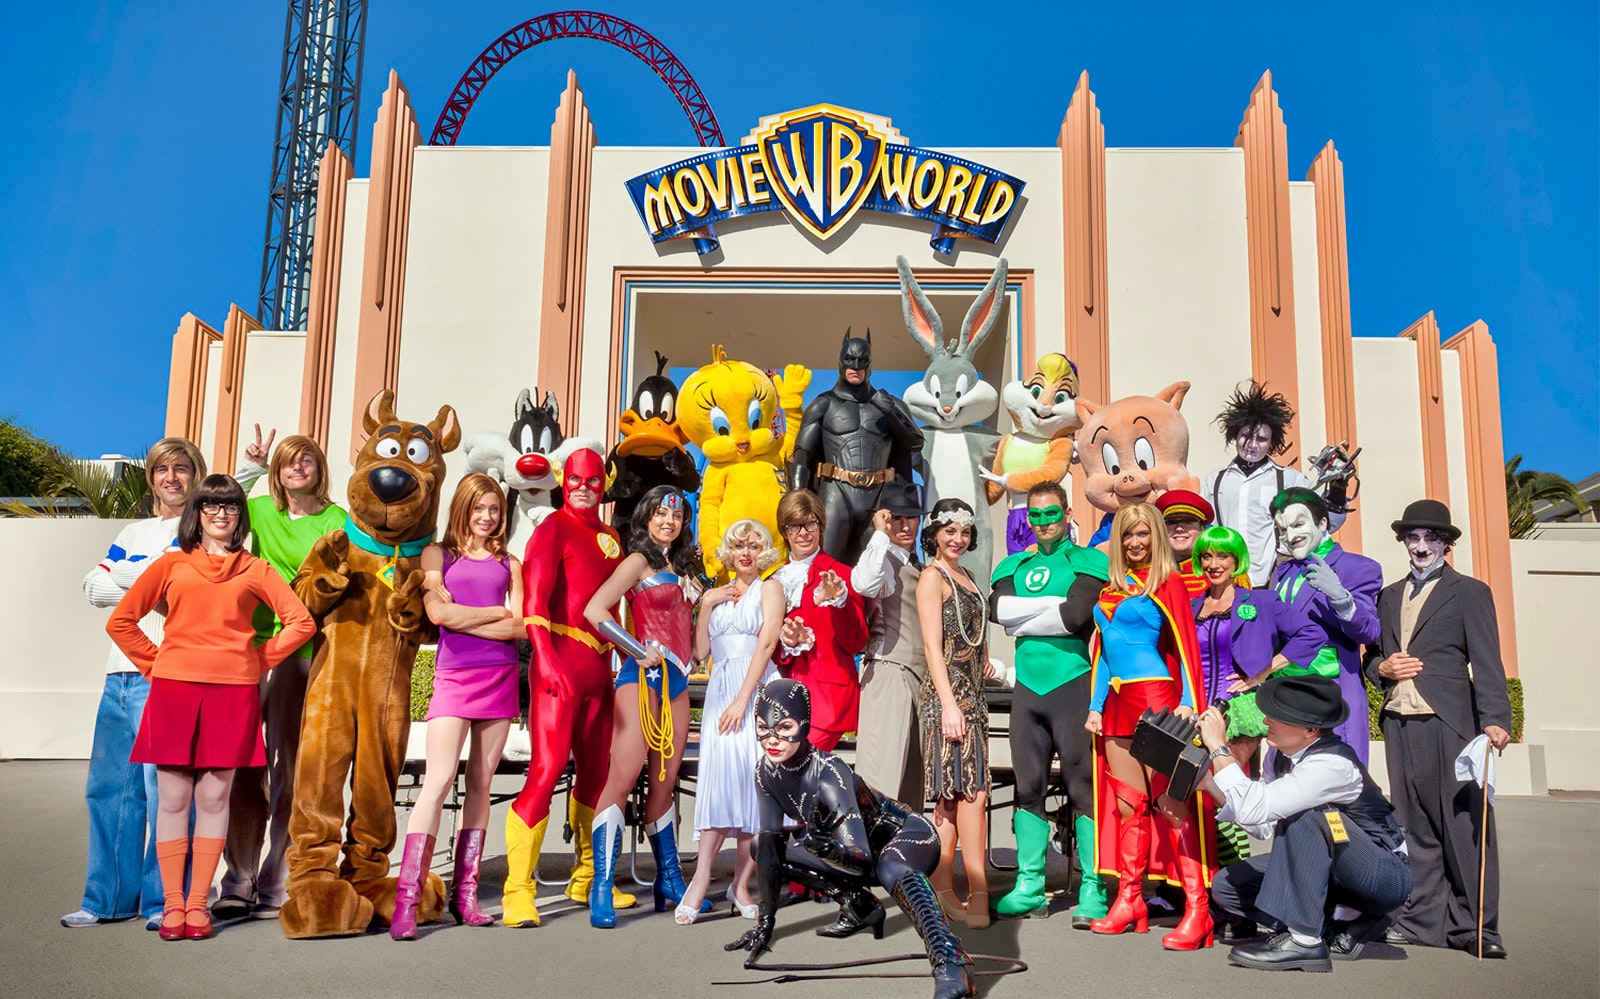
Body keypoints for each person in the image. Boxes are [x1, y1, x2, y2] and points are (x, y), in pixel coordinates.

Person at [107, 474, 315, 941]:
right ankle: (173, 905)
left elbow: (300, 622)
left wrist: (255, 661)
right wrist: (156, 666)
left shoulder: (257, 569)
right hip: (174, 693)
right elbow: (121, 621)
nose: (222, 514)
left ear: (240, 516)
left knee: (215, 799)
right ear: (196, 514)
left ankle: (198, 905)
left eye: (231, 506)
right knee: (172, 800)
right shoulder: (171, 564)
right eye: (211, 506)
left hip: (232, 696)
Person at [726, 680, 977, 999]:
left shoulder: (830, 773)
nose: (772, 739)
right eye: (763, 728)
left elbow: (862, 862)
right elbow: (770, 849)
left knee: (890, 867)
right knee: (762, 846)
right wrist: (765, 924)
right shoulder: (766, 772)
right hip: (853, 851)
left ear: (804, 725)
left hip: (906, 837)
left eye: (785, 727)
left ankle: (950, 960)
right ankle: (860, 906)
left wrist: (826, 849)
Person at [64, 438, 206, 932]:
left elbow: (181, 588)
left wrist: (127, 574)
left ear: (196, 475)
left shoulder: (202, 533)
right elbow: (92, 588)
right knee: (109, 791)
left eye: (182, 468)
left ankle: (164, 901)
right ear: (151, 478)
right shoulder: (132, 531)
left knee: (166, 793)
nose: (172, 477)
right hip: (118, 674)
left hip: (167, 674)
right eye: (162, 469)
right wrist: (145, 575)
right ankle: (105, 900)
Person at [1364, 499, 1512, 958]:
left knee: (1463, 824)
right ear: (1404, 542)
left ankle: (1476, 927)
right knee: (1412, 826)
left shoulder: (1470, 592)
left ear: (1445, 544)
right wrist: (1381, 669)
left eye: (1431, 537)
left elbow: (1487, 659)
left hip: (1451, 722)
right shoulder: (1388, 596)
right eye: (1413, 537)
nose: (1422, 545)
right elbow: (1372, 657)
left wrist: (1495, 719)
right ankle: (1422, 921)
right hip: (1400, 722)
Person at [216, 427, 345, 922]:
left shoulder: (337, 521)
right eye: (288, 460)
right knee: (246, 766)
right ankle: (238, 878)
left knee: (290, 768)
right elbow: (215, 506)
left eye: (306, 459)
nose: (297, 467)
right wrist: (249, 464)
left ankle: (277, 878)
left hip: (304, 654)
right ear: (277, 470)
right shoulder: (260, 512)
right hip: (250, 650)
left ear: (318, 468)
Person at [387, 473, 523, 939]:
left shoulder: (510, 562)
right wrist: (492, 613)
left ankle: (466, 896)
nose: (487, 517)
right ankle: (407, 900)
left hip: (499, 677)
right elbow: (438, 614)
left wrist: (468, 619)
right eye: (479, 507)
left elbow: (521, 626)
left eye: (494, 509)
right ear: (463, 507)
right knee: (439, 779)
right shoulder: (437, 555)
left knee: (481, 782)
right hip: (454, 676)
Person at [1200, 674, 1412, 972]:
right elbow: (1263, 824)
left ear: (1310, 729)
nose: (1266, 721)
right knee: (1228, 886)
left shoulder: (1332, 765)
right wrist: (1209, 785)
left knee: (1310, 814)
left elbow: (1255, 808)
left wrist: (1217, 747)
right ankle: (1336, 920)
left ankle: (1305, 941)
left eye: (1278, 716)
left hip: (1380, 875)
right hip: (1332, 869)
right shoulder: (1280, 756)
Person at [1084, 501, 1215, 950]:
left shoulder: (1167, 582)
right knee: (1128, 806)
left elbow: (1184, 645)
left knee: (1172, 804)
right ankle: (1129, 900)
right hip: (1116, 705)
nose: (1136, 542)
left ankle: (1198, 910)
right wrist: (1096, 706)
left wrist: (1188, 702)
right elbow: (1104, 656)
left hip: (1157, 702)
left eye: (1143, 533)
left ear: (1155, 536)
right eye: (1128, 534)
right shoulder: (1110, 591)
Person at [502, 447, 621, 928]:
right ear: (562, 480)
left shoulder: (611, 537)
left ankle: (587, 876)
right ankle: (518, 889)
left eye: (593, 481)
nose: (584, 488)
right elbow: (534, 604)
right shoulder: (551, 528)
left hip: (600, 669)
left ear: (604, 484)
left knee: (597, 773)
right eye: (575, 480)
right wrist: (547, 662)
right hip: (560, 664)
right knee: (547, 770)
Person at [581, 486, 707, 927]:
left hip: (677, 682)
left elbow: (696, 641)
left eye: (677, 516)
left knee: (664, 782)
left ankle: (670, 879)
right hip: (640, 679)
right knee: (623, 775)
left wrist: (711, 602)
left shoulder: (685, 567)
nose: (669, 522)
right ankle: (601, 884)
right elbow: (595, 610)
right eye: (660, 514)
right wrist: (636, 649)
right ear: (646, 518)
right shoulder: (636, 562)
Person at [1189, 524, 1327, 922]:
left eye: (1223, 556)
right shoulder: (1193, 604)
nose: (1214, 564)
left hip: (1239, 708)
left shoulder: (1261, 600)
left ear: (1236, 561)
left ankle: (1235, 900)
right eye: (1207, 556)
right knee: (1197, 797)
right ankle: (1210, 890)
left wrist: (1265, 671)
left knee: (1228, 795)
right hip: (1198, 708)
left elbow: (1311, 633)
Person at [988, 481, 1110, 926]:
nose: (1042, 523)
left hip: (1072, 687)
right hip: (1028, 693)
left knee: (1082, 789)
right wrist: (1051, 608)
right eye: (1035, 515)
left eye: (1051, 513)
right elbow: (996, 613)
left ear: (1067, 513)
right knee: (1028, 788)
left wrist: (1023, 618)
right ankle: (1030, 885)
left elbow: (1076, 617)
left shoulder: (1089, 560)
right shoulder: (1013, 564)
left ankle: (1093, 886)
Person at [676, 519, 785, 924]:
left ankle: (741, 885)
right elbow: (701, 653)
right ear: (729, 552)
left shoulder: (770, 589)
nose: (746, 553)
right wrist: (706, 605)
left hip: (753, 693)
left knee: (754, 787)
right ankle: (701, 878)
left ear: (764, 552)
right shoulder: (716, 595)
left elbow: (768, 642)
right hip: (721, 691)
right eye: (739, 546)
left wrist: (744, 700)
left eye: (754, 546)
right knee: (720, 782)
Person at [917, 498, 993, 929]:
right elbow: (932, 647)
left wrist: (982, 657)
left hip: (973, 697)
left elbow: (970, 633)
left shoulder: (967, 576)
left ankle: (943, 888)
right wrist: (948, 704)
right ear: (935, 533)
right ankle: (973, 889)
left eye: (964, 532)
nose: (958, 539)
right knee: (965, 794)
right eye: (950, 531)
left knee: (958, 796)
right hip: (947, 699)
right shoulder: (932, 577)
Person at [787, 329, 924, 565]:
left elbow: (915, 442)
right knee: (824, 564)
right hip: (836, 492)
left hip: (878, 496)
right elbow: (802, 457)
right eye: (850, 359)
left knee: (877, 569)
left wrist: (888, 409)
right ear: (840, 361)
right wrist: (796, 506)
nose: (856, 366)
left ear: (870, 364)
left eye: (863, 360)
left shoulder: (890, 405)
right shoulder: (823, 404)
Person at [1268, 488, 1382, 762]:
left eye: (1298, 524)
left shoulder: (1357, 567)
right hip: (1286, 696)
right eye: (1283, 530)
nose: (1290, 536)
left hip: (1329, 695)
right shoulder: (1284, 571)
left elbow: (1369, 631)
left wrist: (1342, 600)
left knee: (1334, 778)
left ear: (1322, 523)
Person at [1203, 381, 1346, 587]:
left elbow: (1325, 524)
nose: (1252, 445)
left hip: (1277, 579)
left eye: (1262, 439)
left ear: (1271, 442)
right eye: (1245, 436)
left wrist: (1338, 490)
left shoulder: (1289, 479)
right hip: (1227, 582)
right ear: (1235, 435)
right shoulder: (1214, 482)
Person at [849, 481, 927, 811]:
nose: (905, 526)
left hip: (920, 676)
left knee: (911, 784)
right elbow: (864, 583)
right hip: (888, 669)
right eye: (896, 518)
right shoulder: (881, 559)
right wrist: (879, 534)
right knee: (880, 780)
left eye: (911, 518)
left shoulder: (918, 564)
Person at [772, 489, 869, 751]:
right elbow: (768, 644)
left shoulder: (842, 575)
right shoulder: (775, 579)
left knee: (798, 766)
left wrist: (839, 602)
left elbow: (857, 641)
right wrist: (787, 642)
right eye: (795, 526)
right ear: (785, 532)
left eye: (810, 524)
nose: (803, 533)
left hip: (828, 701)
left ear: (821, 526)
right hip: (783, 698)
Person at [1155, 489, 1214, 599]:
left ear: (1202, 528)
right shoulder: (1151, 573)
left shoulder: (1221, 571)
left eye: (1188, 522)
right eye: (1171, 522)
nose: (1179, 528)